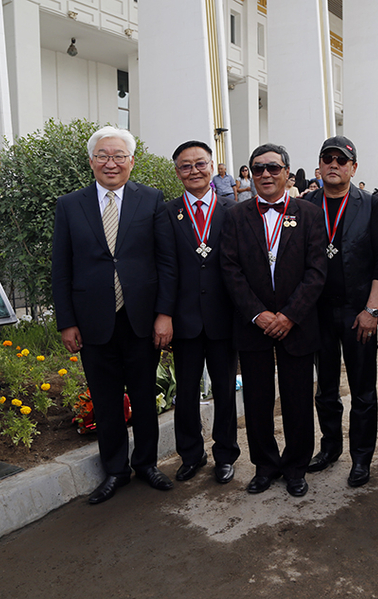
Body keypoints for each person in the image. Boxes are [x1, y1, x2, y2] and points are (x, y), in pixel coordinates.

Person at [51, 126, 177, 505]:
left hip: (141, 319)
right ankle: (116, 471)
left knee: (144, 397)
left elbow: (166, 262)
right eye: (103, 156)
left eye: (119, 156)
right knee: (106, 402)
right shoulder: (70, 205)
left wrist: (164, 314)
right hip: (92, 322)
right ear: (91, 161)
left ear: (131, 161)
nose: (111, 163)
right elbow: (61, 268)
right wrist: (67, 322)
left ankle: (147, 464)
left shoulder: (151, 200)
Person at [220, 143, 327, 497]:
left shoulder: (310, 214)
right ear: (250, 175)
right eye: (258, 169)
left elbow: (316, 271)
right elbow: (230, 269)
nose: (265, 174)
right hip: (253, 324)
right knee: (257, 401)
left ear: (287, 173)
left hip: (297, 324)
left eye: (273, 168)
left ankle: (296, 467)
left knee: (298, 399)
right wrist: (258, 314)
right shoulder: (236, 215)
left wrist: (290, 315)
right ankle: (264, 466)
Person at [303, 136, 378, 487]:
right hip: (318, 313)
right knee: (325, 388)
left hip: (358, 314)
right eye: (327, 158)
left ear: (353, 168)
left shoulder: (370, 206)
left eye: (341, 160)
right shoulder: (306, 204)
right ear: (319, 165)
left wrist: (372, 309)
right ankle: (330, 448)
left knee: (362, 391)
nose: (334, 165)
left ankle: (361, 458)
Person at [167, 141, 240, 484]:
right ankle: (191, 454)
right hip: (184, 319)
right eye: (186, 166)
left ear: (212, 166)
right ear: (177, 172)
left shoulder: (233, 210)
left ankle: (225, 454)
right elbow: (165, 268)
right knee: (186, 391)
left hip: (223, 317)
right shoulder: (168, 213)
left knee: (225, 390)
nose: (194, 170)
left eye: (200, 163)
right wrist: (164, 315)